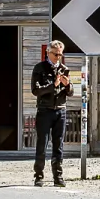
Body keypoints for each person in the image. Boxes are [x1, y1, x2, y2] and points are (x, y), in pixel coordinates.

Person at [30, 40, 71, 187]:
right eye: (55, 54)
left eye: (60, 54)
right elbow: (35, 90)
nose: (58, 57)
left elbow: (70, 92)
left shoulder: (64, 69)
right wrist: (52, 86)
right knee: (42, 144)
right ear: (48, 52)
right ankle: (39, 176)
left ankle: (58, 177)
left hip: (60, 109)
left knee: (58, 145)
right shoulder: (39, 68)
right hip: (44, 110)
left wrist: (68, 85)